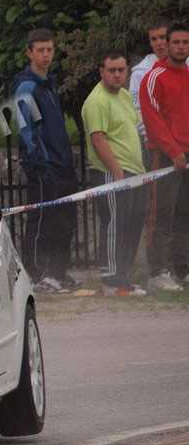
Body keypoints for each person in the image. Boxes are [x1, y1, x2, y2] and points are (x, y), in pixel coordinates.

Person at [12, 28, 80, 293]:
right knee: (41, 220)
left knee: (65, 220)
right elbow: (25, 127)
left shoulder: (49, 83)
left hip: (62, 164)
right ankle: (37, 274)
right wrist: (39, 162)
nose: (45, 55)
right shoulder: (26, 85)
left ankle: (58, 272)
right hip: (42, 166)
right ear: (29, 52)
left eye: (49, 50)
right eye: (40, 50)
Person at [81, 51, 147, 297]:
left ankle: (124, 276)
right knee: (114, 222)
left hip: (135, 172)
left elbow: (134, 129)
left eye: (121, 70)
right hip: (112, 174)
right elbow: (98, 139)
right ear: (102, 71)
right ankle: (111, 279)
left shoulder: (125, 96)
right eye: (112, 70)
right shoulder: (96, 101)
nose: (117, 74)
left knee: (132, 222)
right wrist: (117, 171)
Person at [140, 22, 189, 291]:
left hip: (186, 154)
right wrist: (174, 151)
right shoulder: (154, 77)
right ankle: (158, 271)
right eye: (177, 42)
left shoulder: (188, 75)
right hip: (164, 156)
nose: (181, 47)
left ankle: (182, 269)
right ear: (167, 45)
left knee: (184, 213)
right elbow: (153, 120)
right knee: (160, 214)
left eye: (185, 43)